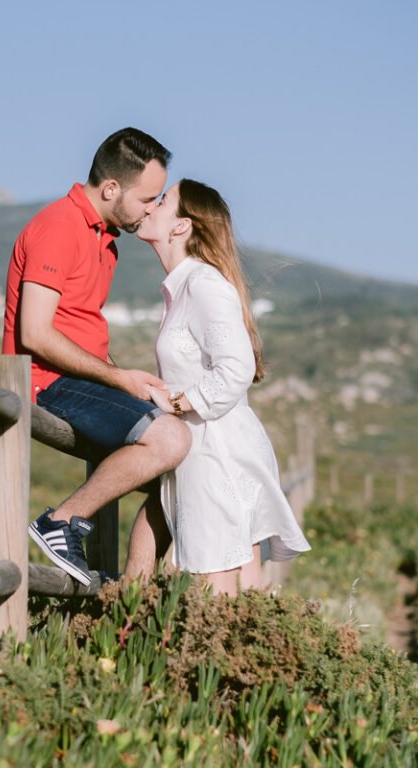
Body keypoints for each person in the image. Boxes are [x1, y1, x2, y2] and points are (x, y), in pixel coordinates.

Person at [2, 127, 191, 586]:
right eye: (148, 199)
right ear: (111, 189)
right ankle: (61, 522)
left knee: (192, 463)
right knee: (170, 442)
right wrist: (119, 377)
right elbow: (35, 332)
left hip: (79, 381)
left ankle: (132, 599)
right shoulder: (59, 227)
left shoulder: (104, 240)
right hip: (47, 381)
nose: (152, 208)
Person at [133, 179, 311, 595]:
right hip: (207, 447)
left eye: (162, 201)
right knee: (235, 588)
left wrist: (178, 404)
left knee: (220, 590)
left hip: (216, 452)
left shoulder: (202, 285)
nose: (149, 206)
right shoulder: (185, 287)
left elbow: (236, 366)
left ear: (181, 227)